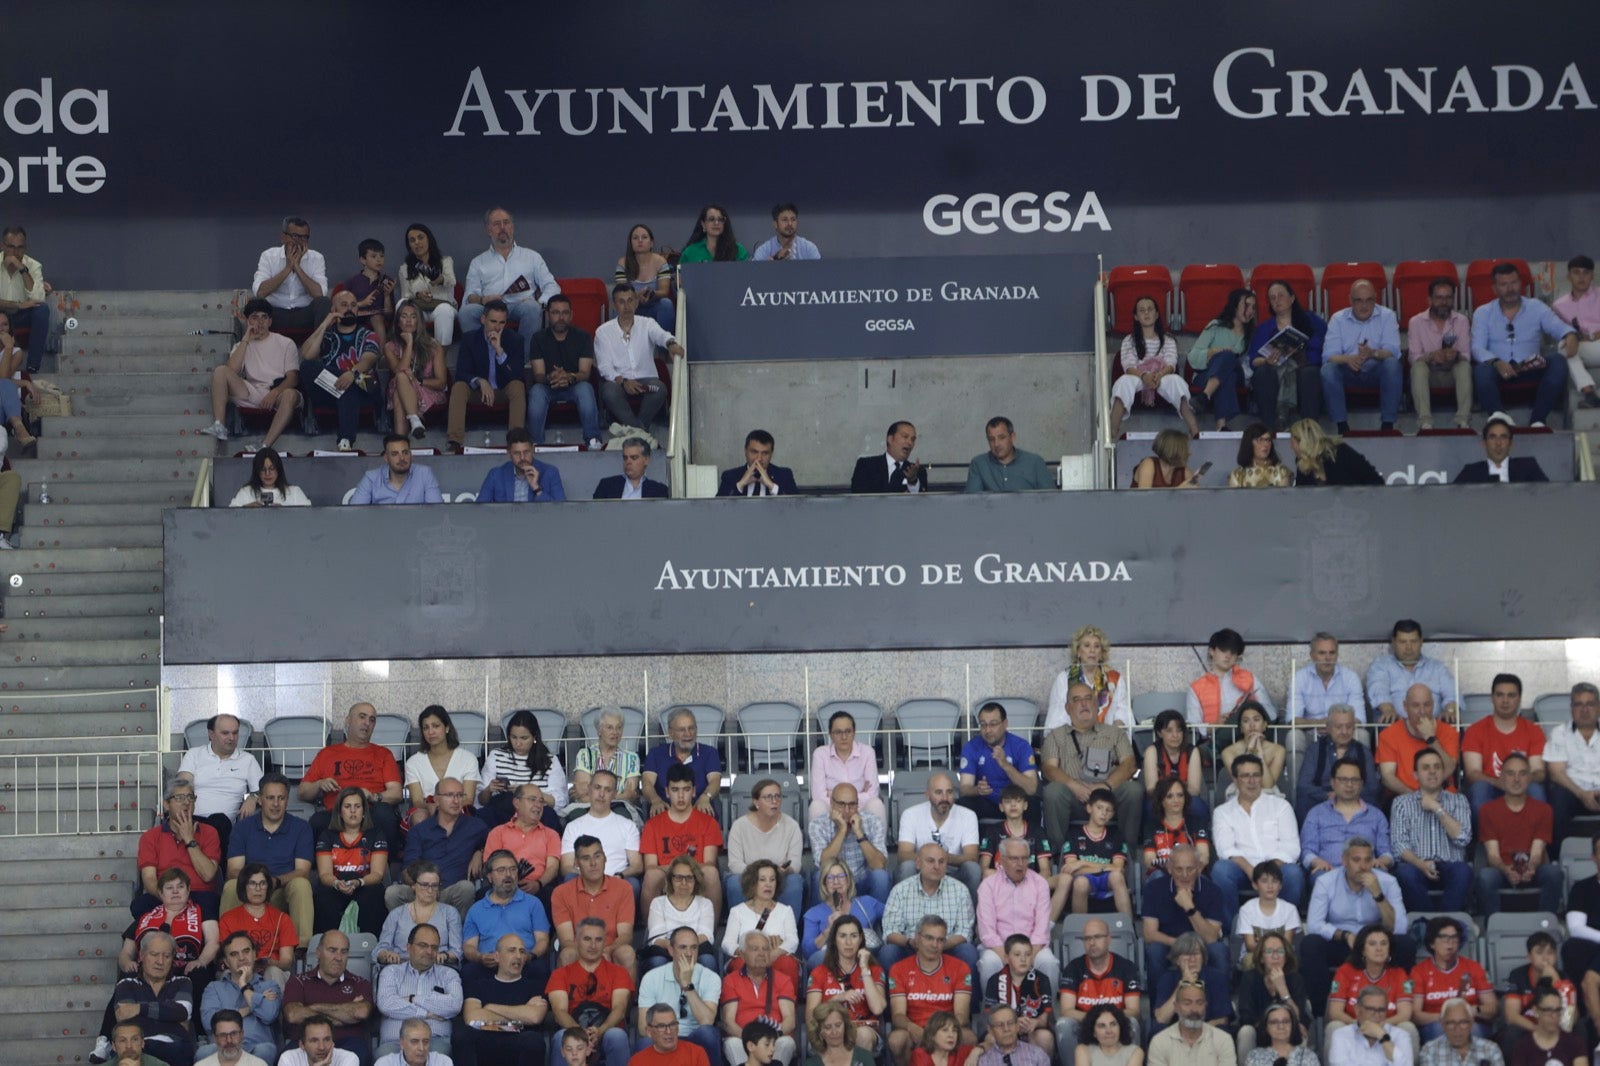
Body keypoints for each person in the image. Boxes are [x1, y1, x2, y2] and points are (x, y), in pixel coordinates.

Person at [1301, 838, 1413, 1011]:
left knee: (1405, 943)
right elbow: (1314, 925)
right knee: (1310, 944)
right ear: (1344, 861)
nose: (1363, 866)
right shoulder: (1326, 882)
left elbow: (1398, 927)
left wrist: (1378, 895)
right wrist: (1344, 935)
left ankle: (1398, 1005)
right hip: (1343, 943)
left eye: (1368, 860)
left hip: (1376, 943)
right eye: (1356, 860)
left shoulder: (1387, 882)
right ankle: (1321, 1011)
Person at [1471, 261, 1576, 429]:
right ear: (1495, 288)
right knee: (1481, 369)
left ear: (1520, 284)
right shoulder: (1483, 312)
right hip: (1498, 372)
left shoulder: (1536, 307)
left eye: (1513, 282)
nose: (1510, 288)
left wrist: (1570, 334)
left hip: (1529, 368)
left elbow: (1558, 326)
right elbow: (1477, 348)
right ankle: (1499, 417)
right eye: (1504, 284)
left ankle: (1538, 421)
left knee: (1558, 361)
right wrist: (1497, 362)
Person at [1040, 681, 1140, 852]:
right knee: (1053, 791)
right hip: (1073, 799)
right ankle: (1058, 854)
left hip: (1107, 797)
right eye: (1077, 700)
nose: (1084, 703)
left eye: (1088, 699)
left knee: (1133, 790)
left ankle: (1126, 852)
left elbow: (1129, 764)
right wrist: (1074, 786)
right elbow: (1049, 769)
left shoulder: (1114, 733)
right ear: (1067, 708)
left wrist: (1106, 786)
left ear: (1096, 704)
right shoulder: (1055, 736)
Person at [222, 775, 313, 945]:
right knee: (230, 886)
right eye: (270, 798)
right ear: (260, 800)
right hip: (250, 889)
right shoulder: (243, 827)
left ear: (287, 800)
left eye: (281, 798)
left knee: (302, 884)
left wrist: (274, 882)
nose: (276, 804)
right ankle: (227, 948)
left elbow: (303, 871)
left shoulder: (301, 827)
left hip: (281, 889)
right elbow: (233, 870)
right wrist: (256, 883)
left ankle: (301, 950)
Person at [205, 297, 303, 448]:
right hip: (253, 391)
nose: (260, 322)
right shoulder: (241, 345)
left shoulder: (285, 343)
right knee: (220, 371)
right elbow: (231, 371)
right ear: (248, 321)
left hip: (279, 392)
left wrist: (275, 393)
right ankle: (219, 426)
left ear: (270, 321)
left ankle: (264, 445)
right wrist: (246, 340)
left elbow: (293, 378)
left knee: (290, 394)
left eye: (264, 317)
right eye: (255, 318)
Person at [299, 703, 403, 842]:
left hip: (370, 813)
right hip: (337, 814)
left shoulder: (384, 754)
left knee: (384, 812)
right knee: (317, 821)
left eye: (372, 720)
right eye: (362, 717)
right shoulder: (327, 754)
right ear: (348, 720)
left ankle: (387, 863)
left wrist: (373, 796)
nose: (367, 723)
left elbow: (396, 793)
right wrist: (319, 784)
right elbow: (302, 792)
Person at [1473, 752, 1561, 915]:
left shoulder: (1543, 809)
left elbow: (1537, 851)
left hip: (1532, 870)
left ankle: (1546, 922)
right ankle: (1492, 925)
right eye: (1510, 774)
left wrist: (1531, 867)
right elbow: (1492, 855)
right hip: (1501, 869)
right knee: (1486, 877)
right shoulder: (1488, 810)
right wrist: (1506, 869)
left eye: (1522, 774)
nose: (1516, 779)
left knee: (1553, 873)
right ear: (1501, 777)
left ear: (1529, 778)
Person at [460, 206, 560, 346]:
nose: (502, 227)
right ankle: (483, 357)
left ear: (512, 227)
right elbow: (470, 296)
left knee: (532, 309)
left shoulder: (532, 257)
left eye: (506, 222)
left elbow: (552, 286)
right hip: (489, 307)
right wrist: (483, 300)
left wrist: (539, 302)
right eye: (496, 224)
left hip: (519, 306)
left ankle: (522, 362)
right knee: (466, 312)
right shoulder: (478, 262)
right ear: (488, 230)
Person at [390, 777, 489, 918]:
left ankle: (458, 936)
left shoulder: (476, 826)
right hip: (421, 890)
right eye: (449, 795)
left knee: (466, 888)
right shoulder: (419, 830)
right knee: (392, 893)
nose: (456, 801)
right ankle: (411, 934)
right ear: (436, 799)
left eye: (460, 795)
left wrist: (480, 852)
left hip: (452, 891)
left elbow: (497, 847)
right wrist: (422, 886)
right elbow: (409, 868)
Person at [1388, 748, 1472, 912]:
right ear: (1415, 775)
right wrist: (1420, 864)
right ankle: (1428, 923)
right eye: (1426, 768)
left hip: (1450, 865)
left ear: (1443, 772)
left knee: (1463, 871)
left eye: (1437, 767)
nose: (1432, 772)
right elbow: (1398, 845)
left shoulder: (1459, 800)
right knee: (1405, 873)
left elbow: (1463, 838)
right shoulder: (1401, 803)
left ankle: (1445, 922)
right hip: (1416, 865)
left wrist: (1437, 809)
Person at [297, 289, 380, 452]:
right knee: (308, 366)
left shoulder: (369, 334)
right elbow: (306, 355)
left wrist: (353, 372)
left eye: (354, 305)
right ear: (333, 311)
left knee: (352, 384)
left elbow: (369, 359)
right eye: (344, 305)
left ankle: (345, 438)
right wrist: (323, 325)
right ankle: (344, 441)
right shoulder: (327, 336)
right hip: (332, 390)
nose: (350, 309)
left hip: (365, 386)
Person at [98, 931, 195, 1066]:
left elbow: (182, 1012)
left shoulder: (183, 982)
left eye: (166, 956)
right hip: (138, 1048)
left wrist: (139, 1008)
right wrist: (171, 1019)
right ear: (142, 955)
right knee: (129, 1052)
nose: (160, 961)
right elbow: (125, 1018)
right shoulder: (127, 984)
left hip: (174, 1048)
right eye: (154, 954)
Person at [887, 919, 976, 1066]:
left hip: (947, 1027)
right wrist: (912, 1028)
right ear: (917, 938)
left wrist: (939, 1032)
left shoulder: (960, 967)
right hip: (914, 1028)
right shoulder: (898, 968)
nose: (934, 945)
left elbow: (962, 1016)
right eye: (929, 938)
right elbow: (897, 1015)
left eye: (940, 940)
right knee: (897, 1040)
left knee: (969, 1037)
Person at [596, 284, 684, 431]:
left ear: (637, 302)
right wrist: (624, 382)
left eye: (630, 300)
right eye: (621, 302)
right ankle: (640, 431)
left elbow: (661, 335)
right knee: (608, 391)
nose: (627, 306)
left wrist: (671, 344)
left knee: (659, 388)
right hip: (619, 383)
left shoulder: (647, 323)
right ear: (613, 305)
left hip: (646, 382)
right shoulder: (603, 332)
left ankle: (636, 431)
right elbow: (605, 368)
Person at [1109, 295, 1199, 439]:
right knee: (1123, 382)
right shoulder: (1129, 340)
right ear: (1136, 317)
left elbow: (1171, 363)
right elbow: (1128, 366)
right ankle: (1112, 434)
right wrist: (1144, 376)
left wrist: (1159, 375)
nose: (1146, 313)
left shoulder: (1168, 339)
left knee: (1177, 381)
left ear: (1156, 315)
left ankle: (1195, 431)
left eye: (1150, 309)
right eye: (1142, 310)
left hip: (1162, 376)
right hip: (1138, 377)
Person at [641, 764, 725, 915]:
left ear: (693, 791)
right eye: (675, 790)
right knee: (651, 876)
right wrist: (677, 870)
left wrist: (682, 871)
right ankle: (652, 934)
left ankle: (709, 934)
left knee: (711, 873)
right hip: (666, 877)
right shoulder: (652, 825)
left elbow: (709, 863)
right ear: (667, 792)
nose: (680, 796)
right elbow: (650, 867)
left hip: (696, 875)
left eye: (686, 790)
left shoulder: (708, 822)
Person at [879, 844, 977, 972]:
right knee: (888, 952)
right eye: (931, 861)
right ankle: (887, 992)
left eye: (941, 862)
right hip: (911, 948)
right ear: (918, 863)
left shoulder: (960, 890)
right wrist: (911, 942)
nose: (937, 866)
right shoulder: (900, 890)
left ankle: (967, 992)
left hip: (946, 948)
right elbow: (890, 932)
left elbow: (965, 932)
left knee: (968, 951)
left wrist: (939, 944)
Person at [135, 777, 224, 918]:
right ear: (166, 804)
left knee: (211, 904)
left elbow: (208, 875)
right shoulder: (150, 837)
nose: (186, 802)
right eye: (179, 798)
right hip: (164, 896)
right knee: (140, 905)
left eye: (190, 797)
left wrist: (189, 839)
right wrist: (169, 898)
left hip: (198, 894)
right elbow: (149, 878)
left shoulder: (209, 832)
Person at [1321, 280, 1403, 433]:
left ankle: (1388, 425)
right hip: (1347, 369)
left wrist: (1373, 353)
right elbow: (1328, 355)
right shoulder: (1338, 319)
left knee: (1392, 364)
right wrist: (1348, 359)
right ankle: (1342, 426)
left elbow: (1393, 351)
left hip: (1375, 368)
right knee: (1328, 370)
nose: (1364, 306)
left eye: (1369, 300)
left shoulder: (1387, 316)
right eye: (1359, 300)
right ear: (1350, 300)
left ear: (1375, 299)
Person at [977, 838, 1061, 985]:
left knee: (1049, 962)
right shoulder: (988, 886)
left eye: (1024, 858)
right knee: (989, 962)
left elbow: (1041, 930)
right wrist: (1009, 957)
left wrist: (1027, 956)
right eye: (1014, 859)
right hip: (998, 948)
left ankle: (1048, 1008)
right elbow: (987, 932)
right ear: (1002, 860)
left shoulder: (1040, 883)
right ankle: (992, 1008)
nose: (1020, 864)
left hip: (1032, 948)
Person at [1057, 919, 1142, 1064]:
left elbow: (1134, 1011)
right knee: (1064, 1024)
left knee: (1132, 1023)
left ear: (1108, 939)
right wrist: (1095, 1020)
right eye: (1087, 938)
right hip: (1083, 1024)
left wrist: (1106, 1021)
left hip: (1114, 1024)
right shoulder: (1074, 967)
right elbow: (1066, 1010)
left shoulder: (1126, 967)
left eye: (1097, 937)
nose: (1092, 942)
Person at [551, 835, 639, 975]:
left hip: (611, 949)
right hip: (578, 950)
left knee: (626, 953)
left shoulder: (623, 888)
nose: (593, 863)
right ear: (576, 863)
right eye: (586, 858)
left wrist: (607, 951)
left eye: (597, 856)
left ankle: (628, 998)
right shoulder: (561, 893)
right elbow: (566, 940)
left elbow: (625, 935)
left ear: (605, 858)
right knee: (568, 954)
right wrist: (591, 957)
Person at [282, 930, 373, 1065]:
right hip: (307, 1043)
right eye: (332, 950)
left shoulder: (360, 983)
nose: (338, 957)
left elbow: (361, 1012)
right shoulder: (299, 981)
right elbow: (293, 1014)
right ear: (318, 952)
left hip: (348, 1042)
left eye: (344, 951)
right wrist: (345, 1015)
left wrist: (314, 1007)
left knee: (360, 1056)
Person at [1299, 757, 1393, 887]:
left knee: (1382, 876)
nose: (1349, 785)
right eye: (1343, 780)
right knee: (1320, 878)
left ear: (1361, 783)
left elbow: (1387, 852)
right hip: (1328, 870)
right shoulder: (1316, 814)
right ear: (1332, 782)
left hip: (1366, 870)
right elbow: (1307, 851)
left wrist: (1381, 861)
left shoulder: (1376, 816)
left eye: (1354, 780)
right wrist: (1317, 862)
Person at [449, 298, 529, 449]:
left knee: (517, 386)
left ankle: (516, 441)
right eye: (493, 321)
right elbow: (461, 373)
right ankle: (455, 442)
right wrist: (480, 381)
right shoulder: (469, 339)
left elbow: (516, 375)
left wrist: (499, 351)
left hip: (503, 390)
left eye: (502, 323)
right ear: (483, 319)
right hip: (479, 392)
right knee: (459, 387)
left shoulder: (515, 340)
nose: (497, 327)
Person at [460, 933, 550, 1066]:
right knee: (462, 1035)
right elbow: (472, 1018)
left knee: (533, 1040)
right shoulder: (478, 985)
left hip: (520, 1043)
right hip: (487, 1042)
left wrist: (490, 1007)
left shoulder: (535, 986)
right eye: (511, 950)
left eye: (522, 951)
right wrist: (515, 1025)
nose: (518, 956)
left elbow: (535, 1016)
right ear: (497, 956)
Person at [374, 923, 462, 1060]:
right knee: (383, 1058)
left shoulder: (448, 974)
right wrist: (426, 1013)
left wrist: (413, 998)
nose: (429, 951)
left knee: (439, 1058)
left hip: (435, 1042)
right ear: (408, 948)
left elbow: (454, 1005)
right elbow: (387, 1003)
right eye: (423, 945)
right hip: (395, 1042)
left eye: (434, 947)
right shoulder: (391, 972)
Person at [119, 867, 219, 986]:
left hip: (186, 971)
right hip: (148, 970)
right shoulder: (145, 917)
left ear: (188, 891)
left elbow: (213, 942)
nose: (175, 891)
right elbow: (126, 952)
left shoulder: (203, 913)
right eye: (169, 887)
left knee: (198, 974)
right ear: (161, 893)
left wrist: (201, 961)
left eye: (180, 887)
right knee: (128, 976)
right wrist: (127, 963)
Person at [1248, 279, 1327, 429]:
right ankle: (1269, 427)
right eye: (1273, 298)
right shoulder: (1264, 328)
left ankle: (1309, 430)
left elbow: (1324, 346)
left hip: (1304, 370)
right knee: (1263, 372)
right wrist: (1267, 361)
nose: (1277, 300)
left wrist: (1301, 348)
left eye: (1281, 295)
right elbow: (1253, 360)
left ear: (1292, 298)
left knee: (1310, 373)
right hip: (1274, 373)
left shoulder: (1311, 321)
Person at [636, 926, 721, 1064]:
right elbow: (643, 1027)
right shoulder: (651, 977)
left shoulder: (711, 977)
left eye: (694, 948)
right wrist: (667, 1036)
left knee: (708, 1034)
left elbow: (707, 1021)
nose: (689, 953)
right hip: (663, 1036)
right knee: (645, 1043)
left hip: (694, 1037)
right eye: (683, 947)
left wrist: (687, 986)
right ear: (671, 950)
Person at [1140, 844, 1228, 977]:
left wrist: (1189, 908)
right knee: (1155, 950)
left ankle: (1222, 997)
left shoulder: (1213, 891)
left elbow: (1211, 938)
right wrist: (1181, 945)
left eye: (1190, 869)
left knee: (1218, 950)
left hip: (1201, 946)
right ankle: (1159, 998)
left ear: (1199, 868)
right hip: (1170, 944)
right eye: (1179, 869)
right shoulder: (1153, 889)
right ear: (1169, 869)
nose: (1185, 875)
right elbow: (1149, 934)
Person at [528, 292, 603, 448]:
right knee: (536, 391)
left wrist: (569, 376)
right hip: (548, 386)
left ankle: (593, 440)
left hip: (574, 384)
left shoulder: (583, 337)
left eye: (565, 313)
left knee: (586, 389)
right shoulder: (538, 338)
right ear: (548, 315)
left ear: (571, 315)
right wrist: (551, 377)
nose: (560, 317)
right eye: (555, 313)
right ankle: (535, 443)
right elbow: (538, 375)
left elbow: (585, 373)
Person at [1461, 674, 1547, 806]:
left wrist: (1519, 781)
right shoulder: (1475, 730)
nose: (1505, 701)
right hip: (1490, 786)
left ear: (1519, 699)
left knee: (1536, 790)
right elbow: (1473, 774)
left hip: (1522, 786)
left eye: (1511, 695)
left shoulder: (1533, 731)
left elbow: (1538, 772)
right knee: (1479, 789)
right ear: (1492, 698)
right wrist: (1499, 783)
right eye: (1500, 695)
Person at [312, 787, 389, 936]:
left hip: (364, 884)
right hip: (336, 884)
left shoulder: (376, 833)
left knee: (374, 893)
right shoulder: (327, 835)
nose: (353, 811)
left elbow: (378, 874)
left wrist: (358, 882)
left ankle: (371, 945)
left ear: (364, 811)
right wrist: (336, 883)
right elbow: (325, 874)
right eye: (347, 807)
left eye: (357, 806)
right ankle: (327, 944)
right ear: (340, 812)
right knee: (324, 893)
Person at [804, 915, 887, 1054]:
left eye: (853, 936)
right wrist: (837, 998)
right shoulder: (819, 972)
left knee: (863, 1035)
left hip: (863, 1030)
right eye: (842, 936)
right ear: (834, 940)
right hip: (829, 1029)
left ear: (860, 939)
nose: (848, 942)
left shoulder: (874, 970)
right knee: (830, 1036)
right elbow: (810, 1017)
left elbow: (878, 1008)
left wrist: (865, 969)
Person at [1326, 925, 1417, 1050]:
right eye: (1372, 944)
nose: (1379, 948)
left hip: (1387, 1029)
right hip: (1354, 1027)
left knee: (1408, 1027)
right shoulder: (1345, 971)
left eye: (1384, 943)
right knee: (1334, 1027)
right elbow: (1335, 1012)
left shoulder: (1399, 973)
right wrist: (1360, 1026)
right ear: (1363, 950)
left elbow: (1405, 1014)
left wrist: (1378, 1028)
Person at [462, 850, 552, 977]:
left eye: (513, 869)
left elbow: (542, 940)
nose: (508, 874)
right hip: (490, 965)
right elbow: (469, 946)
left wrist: (530, 956)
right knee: (469, 972)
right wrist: (480, 957)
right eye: (501, 870)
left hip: (524, 963)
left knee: (540, 968)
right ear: (490, 877)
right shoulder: (476, 909)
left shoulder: (533, 903)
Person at [196, 932, 282, 1064]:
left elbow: (268, 1015)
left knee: (266, 1050)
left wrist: (243, 985)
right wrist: (252, 1006)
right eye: (234, 954)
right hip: (221, 1049)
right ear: (226, 962)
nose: (241, 958)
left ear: (254, 954)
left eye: (246, 951)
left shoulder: (269, 986)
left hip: (256, 1049)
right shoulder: (214, 988)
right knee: (204, 1052)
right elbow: (209, 1023)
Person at [727, 778, 806, 915]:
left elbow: (796, 863)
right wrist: (761, 876)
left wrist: (783, 870)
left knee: (794, 881)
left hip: (779, 877)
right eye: (768, 797)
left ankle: (789, 932)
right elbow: (734, 864)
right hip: (749, 877)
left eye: (777, 796)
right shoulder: (739, 826)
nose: (774, 801)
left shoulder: (791, 826)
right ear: (756, 802)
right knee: (734, 882)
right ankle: (742, 931)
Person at [243, 216, 330, 341]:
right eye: (295, 236)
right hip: (275, 314)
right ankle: (258, 353)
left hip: (304, 314)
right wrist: (288, 267)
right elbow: (260, 291)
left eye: (304, 237)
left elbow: (319, 294)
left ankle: (320, 352)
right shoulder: (268, 256)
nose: (299, 241)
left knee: (324, 303)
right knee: (255, 303)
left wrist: (298, 267)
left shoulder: (317, 258)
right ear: (283, 237)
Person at [1409, 917, 1494, 1043]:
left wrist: (1473, 1011)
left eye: (1454, 938)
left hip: (1471, 1023)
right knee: (1440, 1030)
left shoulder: (1474, 967)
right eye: (1444, 939)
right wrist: (1448, 1018)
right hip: (1436, 1024)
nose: (1450, 944)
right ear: (1432, 943)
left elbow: (1492, 1008)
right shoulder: (1418, 972)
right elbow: (1415, 1014)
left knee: (1472, 1030)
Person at [719, 932, 798, 1066]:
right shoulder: (731, 980)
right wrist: (752, 1040)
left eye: (765, 949)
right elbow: (729, 1022)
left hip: (774, 1038)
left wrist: (768, 1041)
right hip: (743, 1039)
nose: (761, 953)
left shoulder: (783, 980)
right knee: (732, 1044)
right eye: (755, 949)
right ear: (742, 954)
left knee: (787, 1043)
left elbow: (789, 1021)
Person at [1406, 278, 1474, 431]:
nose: (1444, 302)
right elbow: (1413, 357)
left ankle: (1463, 420)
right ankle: (1425, 421)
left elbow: (1467, 355)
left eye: (1448, 298)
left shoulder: (1462, 321)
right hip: (1429, 375)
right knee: (1418, 367)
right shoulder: (1415, 322)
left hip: (1452, 373)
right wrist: (1431, 356)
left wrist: (1456, 355)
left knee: (1463, 365)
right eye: (1439, 298)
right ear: (1429, 300)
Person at [481, 710, 568, 829]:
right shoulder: (496, 756)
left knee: (548, 814)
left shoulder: (549, 761)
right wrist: (489, 790)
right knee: (489, 811)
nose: (518, 743)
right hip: (503, 813)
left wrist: (527, 794)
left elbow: (559, 802)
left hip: (537, 813)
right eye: (513, 737)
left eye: (524, 738)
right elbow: (481, 801)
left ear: (534, 737)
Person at [896, 771, 982, 891]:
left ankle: (969, 909)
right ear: (927, 794)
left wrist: (944, 859)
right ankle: (906, 909)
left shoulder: (968, 815)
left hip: (954, 872)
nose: (945, 798)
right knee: (907, 866)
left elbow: (972, 857)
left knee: (973, 869)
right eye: (938, 792)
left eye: (949, 792)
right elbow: (903, 855)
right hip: (921, 873)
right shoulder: (910, 814)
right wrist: (930, 860)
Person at [1055, 789, 1132, 919]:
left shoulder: (1116, 835)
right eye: (1099, 808)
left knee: (1117, 877)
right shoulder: (1074, 834)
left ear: (1113, 814)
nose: (1104, 813)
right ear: (1089, 808)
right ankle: (1079, 932)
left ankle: (1130, 928)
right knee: (1080, 882)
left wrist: (1083, 863)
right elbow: (1071, 870)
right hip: (1085, 880)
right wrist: (1104, 867)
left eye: (1109, 810)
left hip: (1107, 879)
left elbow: (1118, 868)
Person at [1187, 287, 1256, 431]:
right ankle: (1221, 426)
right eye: (1246, 305)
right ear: (1235, 305)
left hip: (1239, 374)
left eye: (1253, 307)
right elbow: (1192, 356)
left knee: (1229, 358)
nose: (1250, 310)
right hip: (1205, 374)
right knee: (1227, 374)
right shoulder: (1215, 326)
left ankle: (1205, 396)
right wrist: (1212, 352)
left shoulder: (1251, 333)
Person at [723, 859, 801, 986]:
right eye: (762, 880)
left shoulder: (785, 911)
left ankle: (785, 1004)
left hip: (776, 958)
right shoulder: (737, 911)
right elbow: (727, 943)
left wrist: (775, 952)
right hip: (747, 958)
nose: (768, 884)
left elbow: (793, 941)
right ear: (752, 883)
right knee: (740, 964)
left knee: (788, 963)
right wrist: (746, 952)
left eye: (772, 879)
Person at [1296, 705, 1381, 820]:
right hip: (1322, 804)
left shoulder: (1363, 752)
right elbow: (1304, 785)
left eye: (1349, 726)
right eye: (1339, 727)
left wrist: (1347, 796)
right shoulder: (1315, 750)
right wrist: (1327, 796)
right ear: (1328, 727)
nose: (1344, 731)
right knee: (1304, 800)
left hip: (1355, 805)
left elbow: (1372, 787)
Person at [957, 701, 1039, 820]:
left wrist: (1006, 765)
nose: (988, 730)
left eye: (993, 724)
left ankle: (1031, 839)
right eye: (983, 725)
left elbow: (1031, 789)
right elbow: (964, 788)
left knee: (1033, 804)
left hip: (1014, 801)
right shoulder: (971, 747)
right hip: (986, 801)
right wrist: (977, 790)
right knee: (963, 804)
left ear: (1005, 724)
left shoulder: (1021, 746)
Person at [811, 781, 891, 903]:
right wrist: (842, 830)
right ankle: (825, 921)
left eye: (852, 805)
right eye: (841, 805)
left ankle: (879, 921)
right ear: (832, 804)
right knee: (818, 877)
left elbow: (879, 865)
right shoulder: (818, 824)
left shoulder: (873, 821)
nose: (847, 810)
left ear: (858, 804)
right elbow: (824, 864)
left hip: (863, 881)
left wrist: (859, 833)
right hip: (835, 882)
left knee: (881, 877)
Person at [374, 860, 463, 970]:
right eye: (425, 885)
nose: (430, 890)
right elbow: (380, 948)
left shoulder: (450, 913)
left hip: (438, 968)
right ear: (413, 886)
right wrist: (387, 955)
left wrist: (445, 956)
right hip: (400, 968)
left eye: (435, 886)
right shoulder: (396, 914)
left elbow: (457, 951)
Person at [1236, 933, 1313, 1058]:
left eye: (1280, 951)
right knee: (1246, 1032)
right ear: (1261, 957)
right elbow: (1246, 1017)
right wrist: (1272, 1027)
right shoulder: (1250, 978)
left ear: (1286, 956)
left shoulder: (1295, 979)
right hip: (1259, 1031)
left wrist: (1283, 989)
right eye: (1269, 951)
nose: (1275, 956)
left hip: (1287, 1031)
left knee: (1300, 1031)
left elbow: (1299, 1018)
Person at [405, 705, 483, 827]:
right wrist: (433, 807)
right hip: (428, 810)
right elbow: (417, 801)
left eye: (436, 726)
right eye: (426, 728)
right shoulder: (413, 762)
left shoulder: (468, 759)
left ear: (447, 728)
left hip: (459, 808)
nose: (431, 732)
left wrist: (444, 808)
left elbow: (468, 800)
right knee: (420, 817)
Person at [218, 864, 297, 985]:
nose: (258, 888)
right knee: (230, 974)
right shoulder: (228, 919)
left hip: (272, 972)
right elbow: (228, 957)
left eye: (263, 883)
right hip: (239, 969)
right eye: (252, 883)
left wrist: (269, 963)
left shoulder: (282, 918)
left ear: (268, 887)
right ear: (243, 886)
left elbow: (286, 961)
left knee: (273, 972)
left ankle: (273, 1005)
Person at [1367, 623, 1459, 725]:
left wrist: (1450, 711)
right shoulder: (1381, 665)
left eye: (1413, 641)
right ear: (1393, 642)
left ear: (1421, 642)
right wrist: (1388, 710)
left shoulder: (1437, 667)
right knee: (1387, 721)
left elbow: (1452, 693)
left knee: (1454, 723)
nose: (1408, 647)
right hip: (1396, 726)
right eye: (1403, 642)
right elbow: (1379, 691)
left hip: (1434, 726)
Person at [1186, 628, 1276, 732]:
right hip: (1214, 741)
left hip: (1247, 737)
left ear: (1237, 656)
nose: (1228, 656)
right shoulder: (1197, 687)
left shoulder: (1250, 679)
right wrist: (1214, 725)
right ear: (1211, 651)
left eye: (1233, 652)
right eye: (1223, 650)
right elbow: (1192, 726)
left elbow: (1271, 715)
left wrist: (1252, 711)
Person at [560, 773, 644, 884]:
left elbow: (637, 866)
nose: (601, 794)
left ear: (614, 794)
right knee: (570, 879)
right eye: (597, 787)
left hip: (616, 883)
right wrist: (591, 877)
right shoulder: (573, 827)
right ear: (589, 789)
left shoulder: (628, 826)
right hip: (584, 883)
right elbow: (566, 867)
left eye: (608, 790)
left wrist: (620, 876)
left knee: (633, 884)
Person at [1046, 625, 1134, 731]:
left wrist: (1112, 737)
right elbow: (1057, 719)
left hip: (1107, 739)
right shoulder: (1064, 678)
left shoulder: (1114, 679)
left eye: (1097, 646)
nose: (1092, 650)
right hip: (1073, 739)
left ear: (1101, 653)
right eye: (1087, 646)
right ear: (1078, 652)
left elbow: (1123, 714)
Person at [1377, 686, 1461, 796]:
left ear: (1433, 705)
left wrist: (1431, 739)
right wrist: (1416, 799)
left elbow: (1449, 768)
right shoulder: (1389, 734)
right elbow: (1387, 777)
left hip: (1442, 795)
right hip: (1404, 797)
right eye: (1415, 706)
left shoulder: (1448, 732)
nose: (1422, 711)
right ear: (1405, 706)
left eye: (1427, 705)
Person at [384, 300, 449, 440]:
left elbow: (441, 382)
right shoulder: (390, 347)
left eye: (413, 317)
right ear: (398, 322)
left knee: (400, 386)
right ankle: (414, 421)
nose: (408, 321)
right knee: (401, 378)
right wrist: (409, 344)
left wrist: (417, 380)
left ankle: (401, 438)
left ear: (419, 321)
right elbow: (399, 369)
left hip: (428, 391)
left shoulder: (434, 346)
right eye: (404, 316)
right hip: (402, 389)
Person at [484, 785, 563, 898]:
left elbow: (552, 868)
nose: (538, 805)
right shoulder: (498, 833)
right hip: (504, 887)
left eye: (541, 801)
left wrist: (538, 884)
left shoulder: (551, 835)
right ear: (517, 803)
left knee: (550, 895)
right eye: (532, 799)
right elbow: (490, 866)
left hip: (539, 888)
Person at [802, 860, 884, 968]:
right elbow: (808, 953)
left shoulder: (867, 903)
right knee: (821, 957)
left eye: (841, 876)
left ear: (848, 881)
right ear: (824, 884)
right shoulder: (813, 914)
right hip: (831, 963)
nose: (836, 882)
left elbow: (892, 915)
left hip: (863, 959)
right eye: (830, 878)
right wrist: (828, 931)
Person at [980, 937, 1054, 1056]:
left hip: (1031, 1030)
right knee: (991, 1038)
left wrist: (1036, 1022)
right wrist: (1012, 1024)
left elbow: (1046, 1017)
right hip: (1004, 1028)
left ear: (1032, 957)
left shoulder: (1042, 979)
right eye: (1017, 955)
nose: (1023, 959)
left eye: (1028, 954)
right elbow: (990, 1017)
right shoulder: (994, 980)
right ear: (1006, 958)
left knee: (1045, 1037)